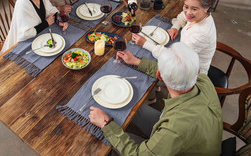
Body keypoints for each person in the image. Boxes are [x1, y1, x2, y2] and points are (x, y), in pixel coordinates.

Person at [89, 42, 223, 156]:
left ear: (159, 74)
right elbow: (175, 74)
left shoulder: (173, 128)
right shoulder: (203, 79)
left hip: (176, 142)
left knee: (103, 139)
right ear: (197, 71)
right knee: (131, 107)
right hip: (194, 139)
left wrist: (105, 124)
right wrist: (137, 61)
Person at [133, 0, 217, 74]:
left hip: (189, 73)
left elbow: (174, 60)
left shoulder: (200, 35)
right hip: (184, 54)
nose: (188, 12)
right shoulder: (202, 15)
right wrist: (175, 27)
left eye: (194, 9)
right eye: (186, 6)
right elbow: (183, 16)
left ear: (207, 7)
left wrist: (145, 44)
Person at [1, 0, 68, 54]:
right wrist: (46, 23)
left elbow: (51, 11)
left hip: (38, 39)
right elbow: (24, 34)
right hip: (20, 47)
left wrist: (58, 20)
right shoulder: (22, 4)